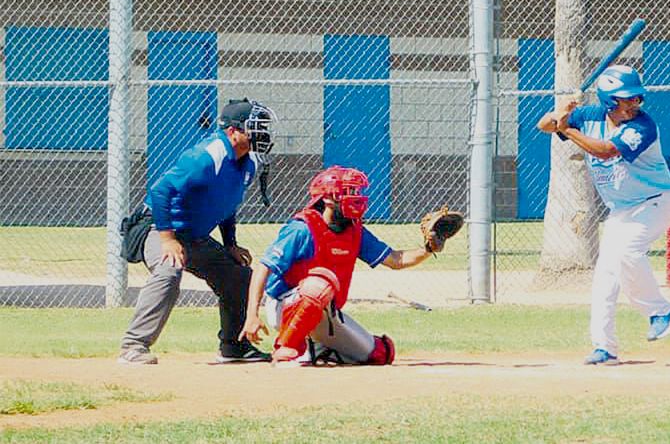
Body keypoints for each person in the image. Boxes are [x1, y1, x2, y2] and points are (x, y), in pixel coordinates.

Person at [537, 65, 670, 366]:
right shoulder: (588, 116)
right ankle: (605, 348)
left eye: (636, 98)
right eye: (625, 99)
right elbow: (543, 125)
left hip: (655, 202)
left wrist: (567, 128)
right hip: (622, 210)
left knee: (628, 252)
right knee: (606, 278)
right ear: (608, 100)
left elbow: (604, 151)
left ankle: (660, 311)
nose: (633, 104)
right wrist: (560, 114)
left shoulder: (643, 126)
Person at [118, 98, 277, 365]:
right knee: (169, 268)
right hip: (157, 227)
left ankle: (234, 348)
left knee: (238, 276)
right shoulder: (206, 156)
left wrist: (230, 245)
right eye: (254, 127)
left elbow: (226, 205)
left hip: (193, 236)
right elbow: (160, 192)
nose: (262, 134)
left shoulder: (246, 163)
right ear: (232, 131)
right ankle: (133, 346)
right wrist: (167, 240)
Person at [240, 166, 440, 366]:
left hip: (325, 310)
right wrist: (252, 316)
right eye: (346, 193)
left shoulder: (355, 231)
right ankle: (285, 348)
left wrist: (429, 248)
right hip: (286, 306)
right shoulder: (302, 229)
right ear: (327, 198)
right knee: (319, 283)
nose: (355, 198)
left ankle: (316, 350)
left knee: (382, 354)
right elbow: (263, 268)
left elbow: (396, 260)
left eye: (355, 192)